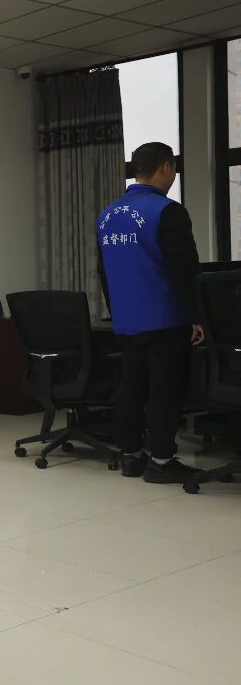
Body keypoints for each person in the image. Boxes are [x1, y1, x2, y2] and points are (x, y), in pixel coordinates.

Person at [97, 141, 203, 484]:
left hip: (128, 320)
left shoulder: (107, 215)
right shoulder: (168, 211)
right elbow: (185, 270)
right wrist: (198, 316)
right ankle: (161, 460)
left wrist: (118, 311)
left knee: (131, 387)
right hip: (165, 317)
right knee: (164, 390)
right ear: (166, 167)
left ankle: (131, 456)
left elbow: (104, 272)